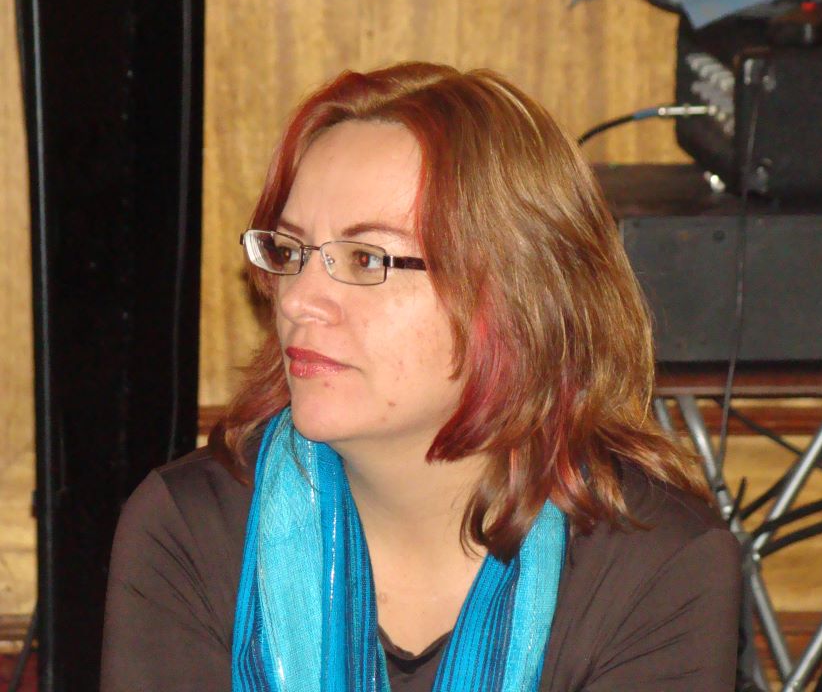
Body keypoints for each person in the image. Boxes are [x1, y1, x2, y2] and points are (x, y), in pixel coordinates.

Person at [101, 63, 741, 692]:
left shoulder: (657, 567)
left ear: (517, 296)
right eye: (290, 252)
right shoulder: (192, 530)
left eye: (365, 259)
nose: (298, 300)